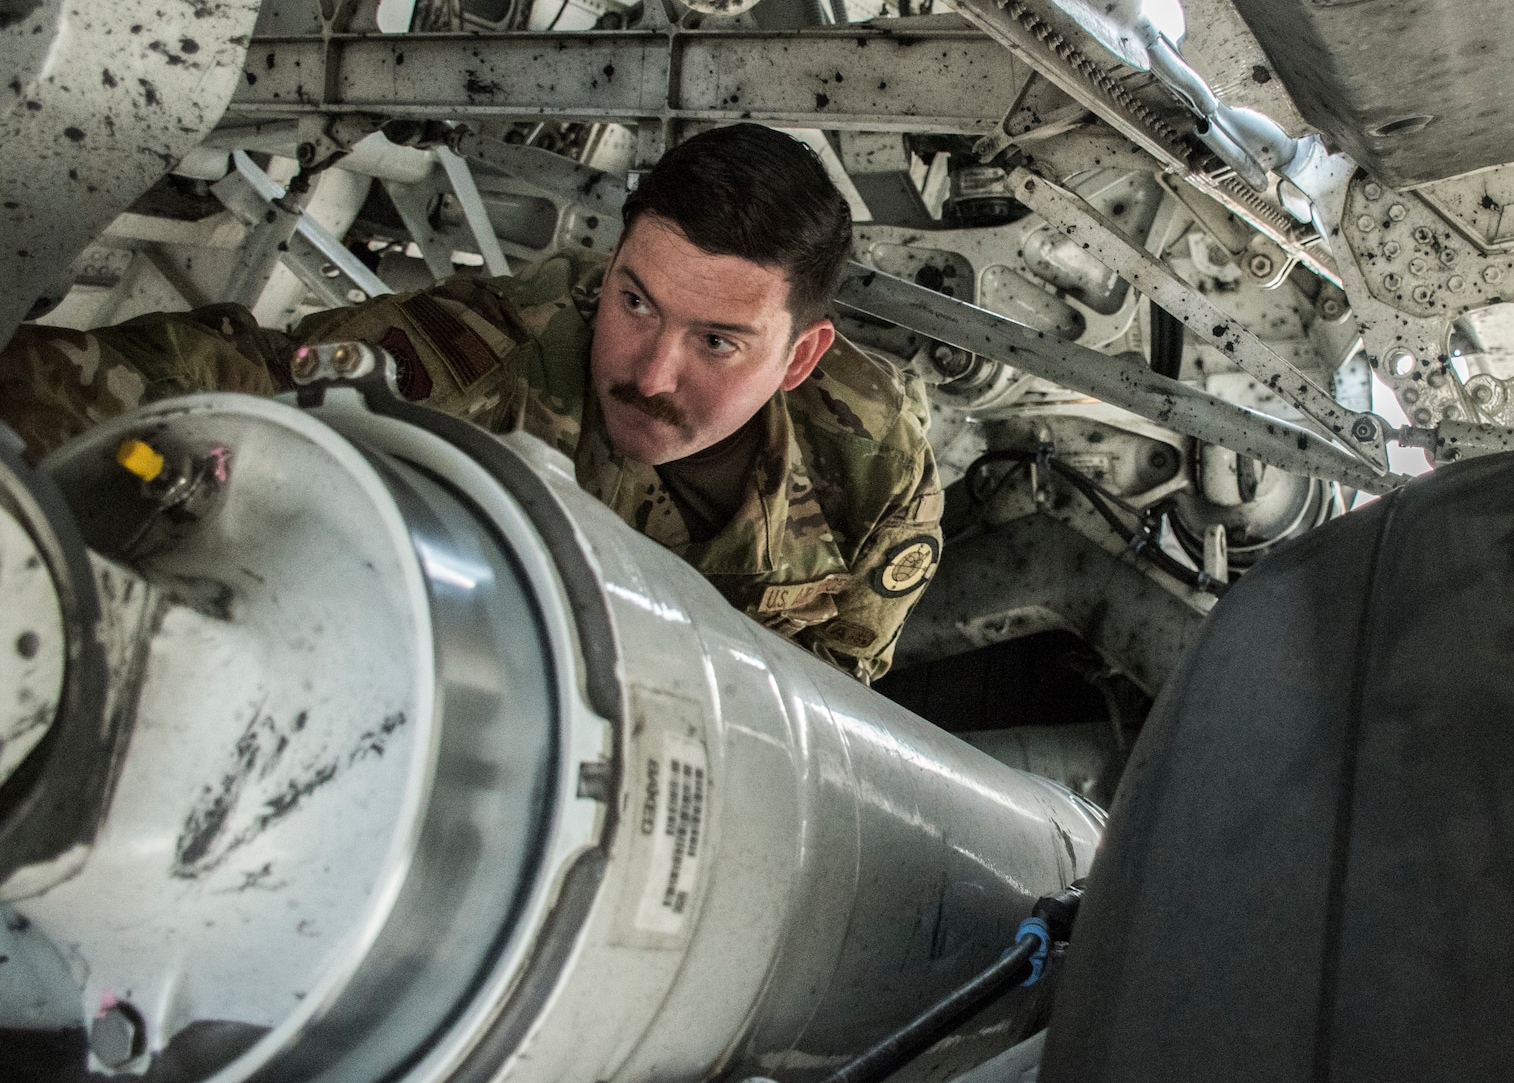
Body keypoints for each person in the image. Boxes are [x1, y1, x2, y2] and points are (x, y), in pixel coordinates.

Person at [0, 124, 942, 684]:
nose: (651, 373)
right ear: (608, 269)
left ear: (799, 356)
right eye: (635, 302)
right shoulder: (489, 354)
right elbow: (235, 372)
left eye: (717, 342)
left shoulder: (872, 474)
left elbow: (835, 688)